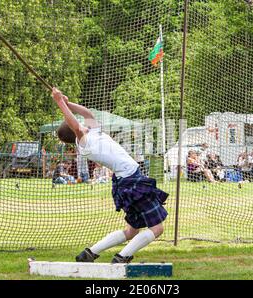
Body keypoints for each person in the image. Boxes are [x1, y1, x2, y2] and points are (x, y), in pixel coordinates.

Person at [52, 88, 168, 264]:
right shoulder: (85, 142)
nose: (81, 122)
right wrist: (60, 102)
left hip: (127, 180)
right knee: (157, 228)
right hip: (131, 180)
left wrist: (67, 103)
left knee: (132, 230)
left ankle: (89, 254)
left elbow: (86, 113)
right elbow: (75, 125)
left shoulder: (93, 132)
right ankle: (122, 257)